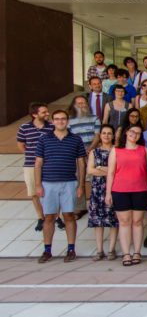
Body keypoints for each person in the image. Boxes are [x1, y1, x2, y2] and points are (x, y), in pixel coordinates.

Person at [35, 110, 87, 263]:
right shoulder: (44, 139)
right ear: (52, 121)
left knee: (69, 216)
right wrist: (38, 184)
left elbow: (81, 164)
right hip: (48, 183)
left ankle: (71, 249)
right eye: (57, 119)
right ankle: (47, 250)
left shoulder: (76, 139)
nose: (60, 122)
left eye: (63, 119)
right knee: (49, 217)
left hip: (69, 182)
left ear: (67, 121)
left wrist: (81, 185)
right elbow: (38, 163)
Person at [105, 123, 147, 266]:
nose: (134, 134)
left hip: (141, 190)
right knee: (124, 222)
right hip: (120, 190)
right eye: (132, 131)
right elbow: (110, 173)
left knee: (137, 222)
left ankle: (137, 251)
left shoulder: (144, 150)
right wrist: (108, 193)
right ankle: (126, 253)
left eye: (138, 133)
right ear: (126, 132)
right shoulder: (116, 150)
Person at [17, 103, 56, 232]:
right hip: (30, 165)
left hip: (49, 164)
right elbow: (21, 144)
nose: (47, 114)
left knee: (51, 191)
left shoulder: (51, 127)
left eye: (47, 111)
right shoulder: (24, 127)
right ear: (35, 114)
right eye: (44, 112)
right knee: (34, 193)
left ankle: (55, 216)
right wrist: (31, 155)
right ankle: (41, 217)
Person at [86, 125, 118, 261]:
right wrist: (109, 170)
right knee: (98, 221)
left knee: (113, 220)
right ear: (100, 135)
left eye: (109, 133)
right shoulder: (94, 152)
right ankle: (99, 250)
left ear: (113, 135)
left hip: (114, 187)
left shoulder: (117, 151)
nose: (106, 136)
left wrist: (101, 168)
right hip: (97, 189)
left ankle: (111, 249)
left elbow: (118, 171)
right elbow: (90, 171)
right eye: (104, 133)